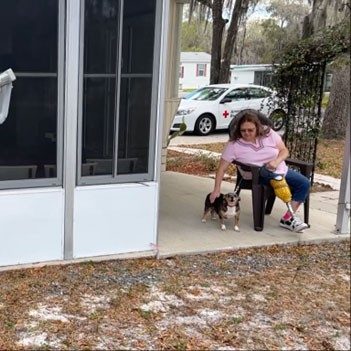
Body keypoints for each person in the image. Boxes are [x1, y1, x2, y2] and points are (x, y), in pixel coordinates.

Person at [209, 110, 310, 232]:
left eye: (250, 130)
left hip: (279, 169)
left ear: (257, 127)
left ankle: (288, 218)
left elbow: (284, 151)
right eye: (243, 130)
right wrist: (216, 190)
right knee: (274, 179)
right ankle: (293, 219)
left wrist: (276, 162)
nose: (246, 133)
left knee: (304, 183)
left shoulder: (269, 134)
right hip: (256, 175)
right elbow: (221, 168)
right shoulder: (234, 144)